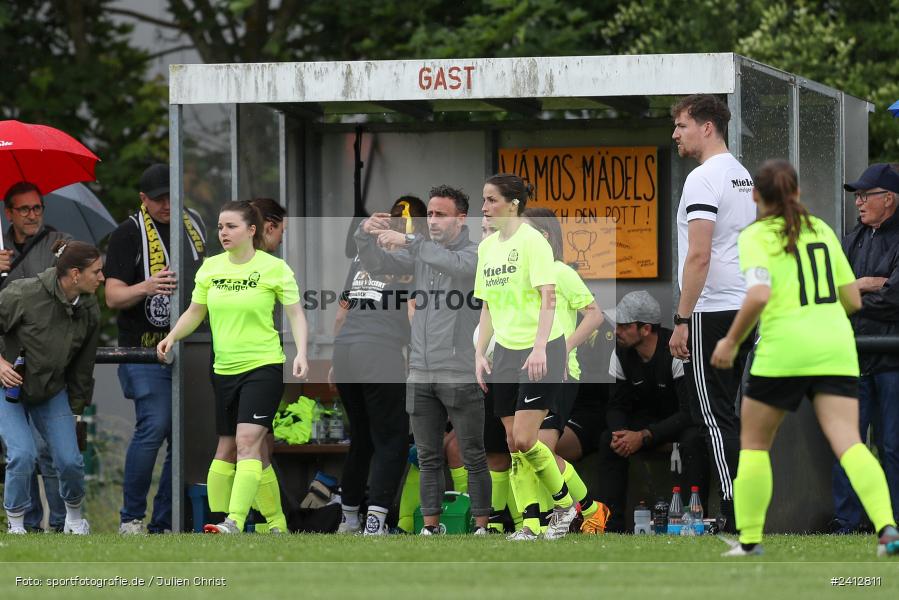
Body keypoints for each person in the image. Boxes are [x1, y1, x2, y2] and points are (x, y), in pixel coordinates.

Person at [710, 159, 899, 557]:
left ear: (756, 197)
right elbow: (850, 299)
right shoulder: (824, 230)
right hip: (836, 348)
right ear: (796, 193)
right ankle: (887, 530)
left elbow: (759, 295)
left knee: (755, 446)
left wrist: (730, 341)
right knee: (851, 443)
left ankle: (749, 541)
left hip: (784, 350)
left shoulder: (756, 235)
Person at [157, 200, 308, 534]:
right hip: (223, 369)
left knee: (246, 442)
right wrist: (172, 337)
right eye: (220, 227)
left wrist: (301, 353)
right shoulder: (210, 268)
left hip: (264, 366)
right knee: (228, 448)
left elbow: (296, 313)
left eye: (231, 226)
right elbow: (196, 311)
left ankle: (234, 521)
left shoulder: (274, 268)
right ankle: (274, 522)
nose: (223, 232)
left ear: (251, 230)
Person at [354, 185, 491, 535]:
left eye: (440, 214)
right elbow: (377, 263)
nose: (432, 220)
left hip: (459, 370)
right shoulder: (420, 253)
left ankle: (481, 525)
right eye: (429, 214)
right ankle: (430, 527)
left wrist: (410, 243)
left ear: (462, 218)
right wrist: (365, 236)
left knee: (474, 455)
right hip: (421, 370)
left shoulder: (478, 252)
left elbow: (457, 264)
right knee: (428, 457)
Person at [668, 94, 756, 531]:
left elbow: (698, 256)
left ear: (706, 127)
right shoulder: (742, 175)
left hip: (713, 307)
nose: (675, 134)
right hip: (745, 307)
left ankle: (738, 514)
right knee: (733, 414)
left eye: (682, 125)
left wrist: (683, 319)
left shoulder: (703, 178)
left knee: (714, 417)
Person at [474, 173, 577, 541]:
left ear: (513, 203)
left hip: (540, 348)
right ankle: (531, 525)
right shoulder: (487, 248)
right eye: (483, 200)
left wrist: (538, 347)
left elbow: (548, 297)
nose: (484, 208)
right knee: (512, 445)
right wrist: (478, 353)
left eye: (491, 200)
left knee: (524, 438)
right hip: (503, 351)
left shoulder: (533, 241)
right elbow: (487, 306)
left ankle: (565, 504)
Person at [105, 163, 206, 534]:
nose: (167, 204)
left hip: (190, 346)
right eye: (159, 198)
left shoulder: (194, 223)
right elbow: (112, 295)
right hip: (144, 351)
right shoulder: (126, 234)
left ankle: (164, 522)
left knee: (186, 435)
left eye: (172, 196)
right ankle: (131, 518)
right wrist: (145, 287)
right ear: (142, 199)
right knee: (156, 423)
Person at [332, 196, 426, 535]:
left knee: (362, 438)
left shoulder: (361, 258)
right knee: (393, 439)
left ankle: (349, 518)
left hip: (345, 353)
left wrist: (334, 361)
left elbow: (342, 311)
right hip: (379, 353)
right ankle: (375, 522)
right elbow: (414, 311)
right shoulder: (415, 256)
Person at [0, 240, 103, 535]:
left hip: (51, 390)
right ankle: (16, 525)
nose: (102, 277)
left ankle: (74, 520)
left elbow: (83, 366)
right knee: (22, 454)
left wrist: (75, 412)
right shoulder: (23, 293)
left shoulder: (89, 307)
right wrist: (1, 365)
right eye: (96, 271)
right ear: (74, 274)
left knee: (70, 460)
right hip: (8, 389)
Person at [519, 207, 609, 536]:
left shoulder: (560, 272)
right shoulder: (522, 276)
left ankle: (589, 509)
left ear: (542, 238)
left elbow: (595, 315)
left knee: (539, 448)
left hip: (559, 373)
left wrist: (563, 347)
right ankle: (538, 522)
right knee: (525, 449)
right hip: (524, 371)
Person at [598, 291, 709, 533]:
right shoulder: (619, 353)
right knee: (609, 440)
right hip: (644, 424)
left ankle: (695, 521)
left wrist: (645, 435)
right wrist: (621, 434)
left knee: (694, 439)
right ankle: (609, 526)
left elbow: (689, 411)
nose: (616, 331)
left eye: (624, 326)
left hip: (677, 424)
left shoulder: (677, 350)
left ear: (645, 329)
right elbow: (616, 405)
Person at [831, 164, 899, 533]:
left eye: (864, 195)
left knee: (892, 447)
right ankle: (846, 521)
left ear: (888, 199)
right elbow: (831, 294)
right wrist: (868, 284)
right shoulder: (850, 239)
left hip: (892, 360)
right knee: (848, 444)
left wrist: (853, 292)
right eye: (856, 196)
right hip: (852, 357)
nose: (857, 202)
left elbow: (895, 300)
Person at [1, 181, 72, 532]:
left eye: (37, 208)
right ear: (8, 213)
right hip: (6, 366)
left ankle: (60, 524)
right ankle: (27, 523)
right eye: (24, 209)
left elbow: (78, 281)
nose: (32, 215)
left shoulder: (59, 242)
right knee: (22, 453)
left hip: (47, 363)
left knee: (51, 452)